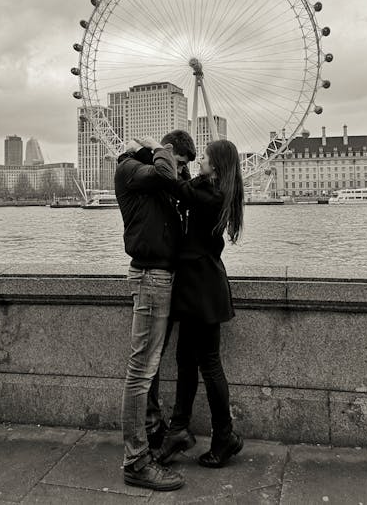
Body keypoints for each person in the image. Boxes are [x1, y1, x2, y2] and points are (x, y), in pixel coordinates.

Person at [141, 137, 245, 469]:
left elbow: (176, 187)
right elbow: (187, 185)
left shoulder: (211, 196)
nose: (199, 162)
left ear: (217, 165)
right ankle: (178, 430)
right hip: (196, 284)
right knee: (186, 359)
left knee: (209, 364)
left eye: (205, 159)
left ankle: (224, 435)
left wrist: (160, 150)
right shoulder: (210, 189)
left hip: (201, 286)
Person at [115, 129, 195, 491]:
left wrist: (175, 161)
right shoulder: (131, 170)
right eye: (180, 163)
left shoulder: (157, 175)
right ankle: (136, 460)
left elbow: (179, 185)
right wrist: (159, 149)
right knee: (141, 370)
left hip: (162, 277)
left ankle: (152, 429)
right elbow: (165, 174)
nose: (180, 172)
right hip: (149, 277)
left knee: (150, 366)